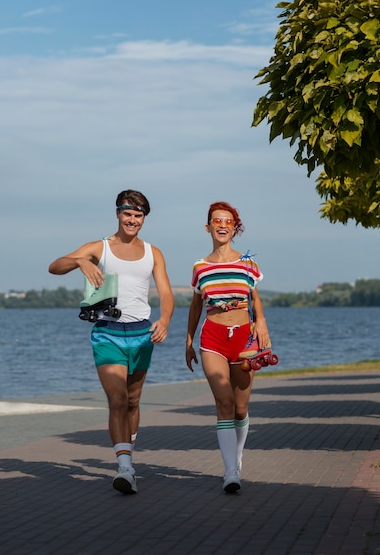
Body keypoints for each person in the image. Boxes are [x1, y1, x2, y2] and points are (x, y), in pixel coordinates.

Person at [48, 190, 174, 494]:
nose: (132, 220)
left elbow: (167, 293)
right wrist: (80, 261)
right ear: (118, 214)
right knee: (117, 399)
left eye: (138, 215)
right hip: (108, 332)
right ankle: (124, 468)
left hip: (143, 333)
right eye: (127, 214)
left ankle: (127, 453)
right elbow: (54, 266)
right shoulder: (100, 247)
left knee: (133, 401)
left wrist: (165, 320)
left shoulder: (153, 252)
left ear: (144, 218)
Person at [185, 201, 270, 493]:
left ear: (235, 228)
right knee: (223, 403)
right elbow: (196, 305)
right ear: (208, 227)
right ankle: (230, 470)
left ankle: (238, 454)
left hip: (245, 340)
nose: (222, 225)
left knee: (240, 408)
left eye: (228, 221)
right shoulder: (200, 267)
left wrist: (262, 326)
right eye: (216, 221)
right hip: (213, 338)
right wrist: (188, 340)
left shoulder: (247, 263)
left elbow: (255, 298)